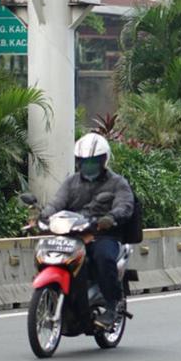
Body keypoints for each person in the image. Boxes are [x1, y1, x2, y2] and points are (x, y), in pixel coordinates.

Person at [40, 133, 136, 329]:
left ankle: (112, 305)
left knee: (103, 257)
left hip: (104, 234)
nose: (89, 166)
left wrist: (111, 218)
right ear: (78, 162)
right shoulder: (71, 182)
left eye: (94, 161)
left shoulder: (118, 183)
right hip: (74, 234)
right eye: (85, 162)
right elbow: (56, 203)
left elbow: (125, 205)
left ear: (104, 161)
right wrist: (44, 215)